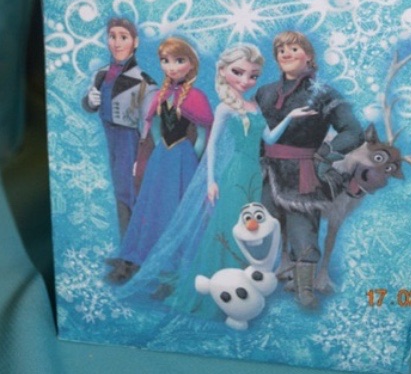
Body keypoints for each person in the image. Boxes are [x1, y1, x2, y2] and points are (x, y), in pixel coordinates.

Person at [117, 43, 314, 320]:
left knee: (250, 228)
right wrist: (211, 180)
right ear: (222, 71)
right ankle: (222, 290)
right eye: (238, 73)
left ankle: (243, 287)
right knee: (230, 228)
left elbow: (269, 138)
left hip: (254, 175)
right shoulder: (224, 108)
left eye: (253, 76)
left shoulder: (253, 106)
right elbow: (211, 146)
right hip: (235, 174)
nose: (246, 80)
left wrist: (290, 117)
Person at [255, 30, 364, 308]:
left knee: (302, 228)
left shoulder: (324, 94)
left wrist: (324, 156)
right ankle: (255, 282)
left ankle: (304, 289)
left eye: (294, 48)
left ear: (309, 56)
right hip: (266, 171)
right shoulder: (264, 92)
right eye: (281, 50)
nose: (287, 53)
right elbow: (255, 131)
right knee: (259, 226)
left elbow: (353, 131)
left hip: (302, 172)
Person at [106, 36, 213, 283]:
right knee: (155, 206)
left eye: (179, 60)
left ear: (191, 64)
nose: (171, 67)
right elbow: (154, 127)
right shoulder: (161, 95)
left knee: (178, 207)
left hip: (183, 159)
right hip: (161, 158)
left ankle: (175, 264)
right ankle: (145, 256)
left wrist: (193, 159)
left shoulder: (196, 97)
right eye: (165, 61)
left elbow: (203, 134)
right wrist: (156, 152)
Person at [82, 17, 157, 237]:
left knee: (130, 192)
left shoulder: (143, 80)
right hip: (109, 138)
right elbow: (90, 105)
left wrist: (142, 154)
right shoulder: (102, 74)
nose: (117, 43)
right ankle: (127, 241)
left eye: (123, 37)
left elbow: (150, 122)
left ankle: (136, 242)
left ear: (135, 42)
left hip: (129, 139)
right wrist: (90, 101)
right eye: (112, 36)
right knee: (118, 191)